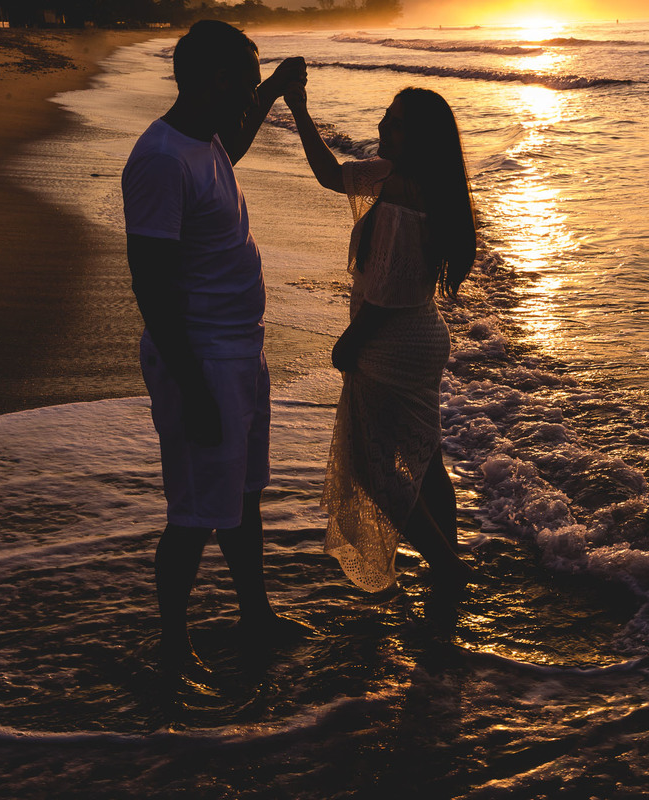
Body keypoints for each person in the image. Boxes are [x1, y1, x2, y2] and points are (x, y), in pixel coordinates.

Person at [121, 20, 308, 671]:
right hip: (201, 360)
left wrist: (281, 89)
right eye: (246, 85)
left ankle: (253, 614)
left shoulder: (204, 143)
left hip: (238, 352)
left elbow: (237, 137)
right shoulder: (162, 159)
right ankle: (174, 645)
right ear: (212, 81)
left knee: (240, 495)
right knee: (195, 512)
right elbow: (150, 284)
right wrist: (195, 389)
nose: (248, 97)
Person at [282, 81, 478, 593]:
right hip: (423, 337)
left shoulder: (396, 191)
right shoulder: (432, 183)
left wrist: (350, 341)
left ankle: (448, 568)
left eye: (394, 122)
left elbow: (387, 291)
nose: (380, 127)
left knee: (372, 471)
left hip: (389, 340)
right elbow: (331, 174)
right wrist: (301, 110)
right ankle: (448, 563)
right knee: (427, 459)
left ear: (417, 136)